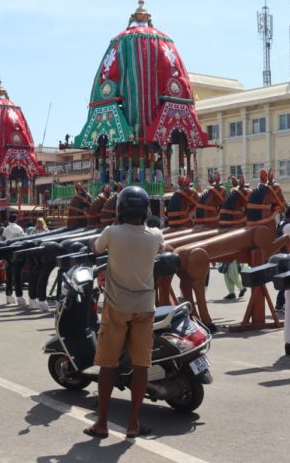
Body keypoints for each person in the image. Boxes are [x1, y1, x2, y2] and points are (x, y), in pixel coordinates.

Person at [84, 186, 164, 440]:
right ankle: (133, 424)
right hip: (145, 307)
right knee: (141, 366)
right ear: (146, 210)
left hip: (116, 307)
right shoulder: (155, 235)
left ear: (119, 209)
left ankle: (101, 423)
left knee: (107, 366)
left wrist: (91, 243)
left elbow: (95, 248)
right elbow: (163, 248)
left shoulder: (111, 232)